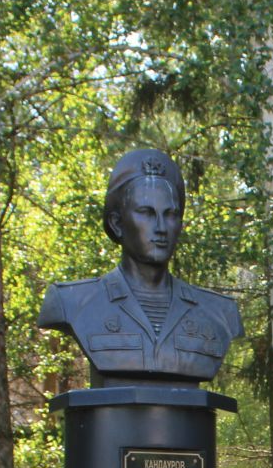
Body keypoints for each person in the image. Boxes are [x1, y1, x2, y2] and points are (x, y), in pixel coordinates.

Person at [37, 147, 242, 387]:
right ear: (117, 224)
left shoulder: (219, 313)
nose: (160, 227)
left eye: (170, 214)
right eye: (146, 213)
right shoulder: (71, 303)